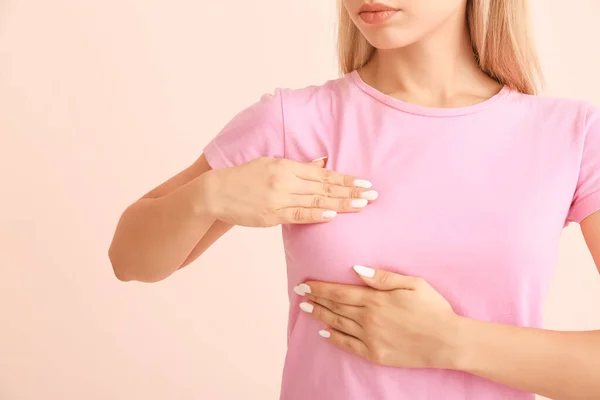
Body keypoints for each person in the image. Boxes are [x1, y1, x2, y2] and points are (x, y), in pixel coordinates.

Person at [108, 0, 600, 399]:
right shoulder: (293, 121)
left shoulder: (572, 136)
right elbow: (130, 261)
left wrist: (450, 342)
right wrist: (209, 196)